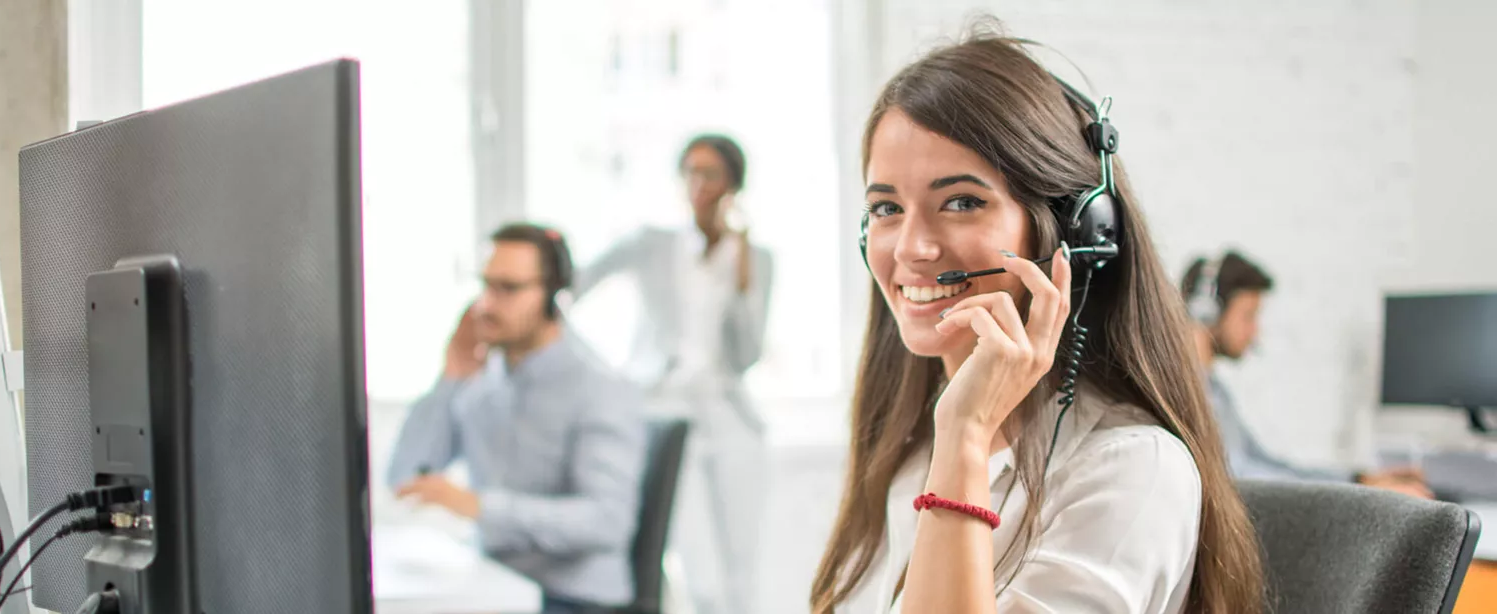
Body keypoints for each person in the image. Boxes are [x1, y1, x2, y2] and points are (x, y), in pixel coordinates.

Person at [809, 24, 1265, 614]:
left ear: (1075, 232)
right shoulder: (910, 445)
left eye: (962, 202)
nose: (911, 248)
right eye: (887, 207)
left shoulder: (1131, 469)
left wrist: (967, 438)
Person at [387, 223, 647, 614]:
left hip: (571, 599)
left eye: (507, 289)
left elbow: (607, 521)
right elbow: (406, 478)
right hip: (494, 587)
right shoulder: (480, 381)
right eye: (486, 285)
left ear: (553, 294)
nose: (486, 306)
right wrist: (450, 380)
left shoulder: (599, 388)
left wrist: (480, 506)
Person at [571, 134, 773, 614]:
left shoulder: (757, 258)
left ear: (733, 185)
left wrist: (741, 273)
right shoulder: (651, 244)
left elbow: (747, 356)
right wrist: (611, 376)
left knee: (742, 569)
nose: (698, 184)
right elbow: (572, 288)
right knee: (696, 567)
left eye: (710, 174)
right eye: (690, 172)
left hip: (729, 417)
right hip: (664, 410)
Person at [1181, 251, 1432, 498]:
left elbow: (1267, 465)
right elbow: (1243, 478)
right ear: (1206, 311)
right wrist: (1362, 495)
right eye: (1248, 316)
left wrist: (1359, 479)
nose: (1255, 333)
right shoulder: (1189, 395)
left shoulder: (1216, 392)